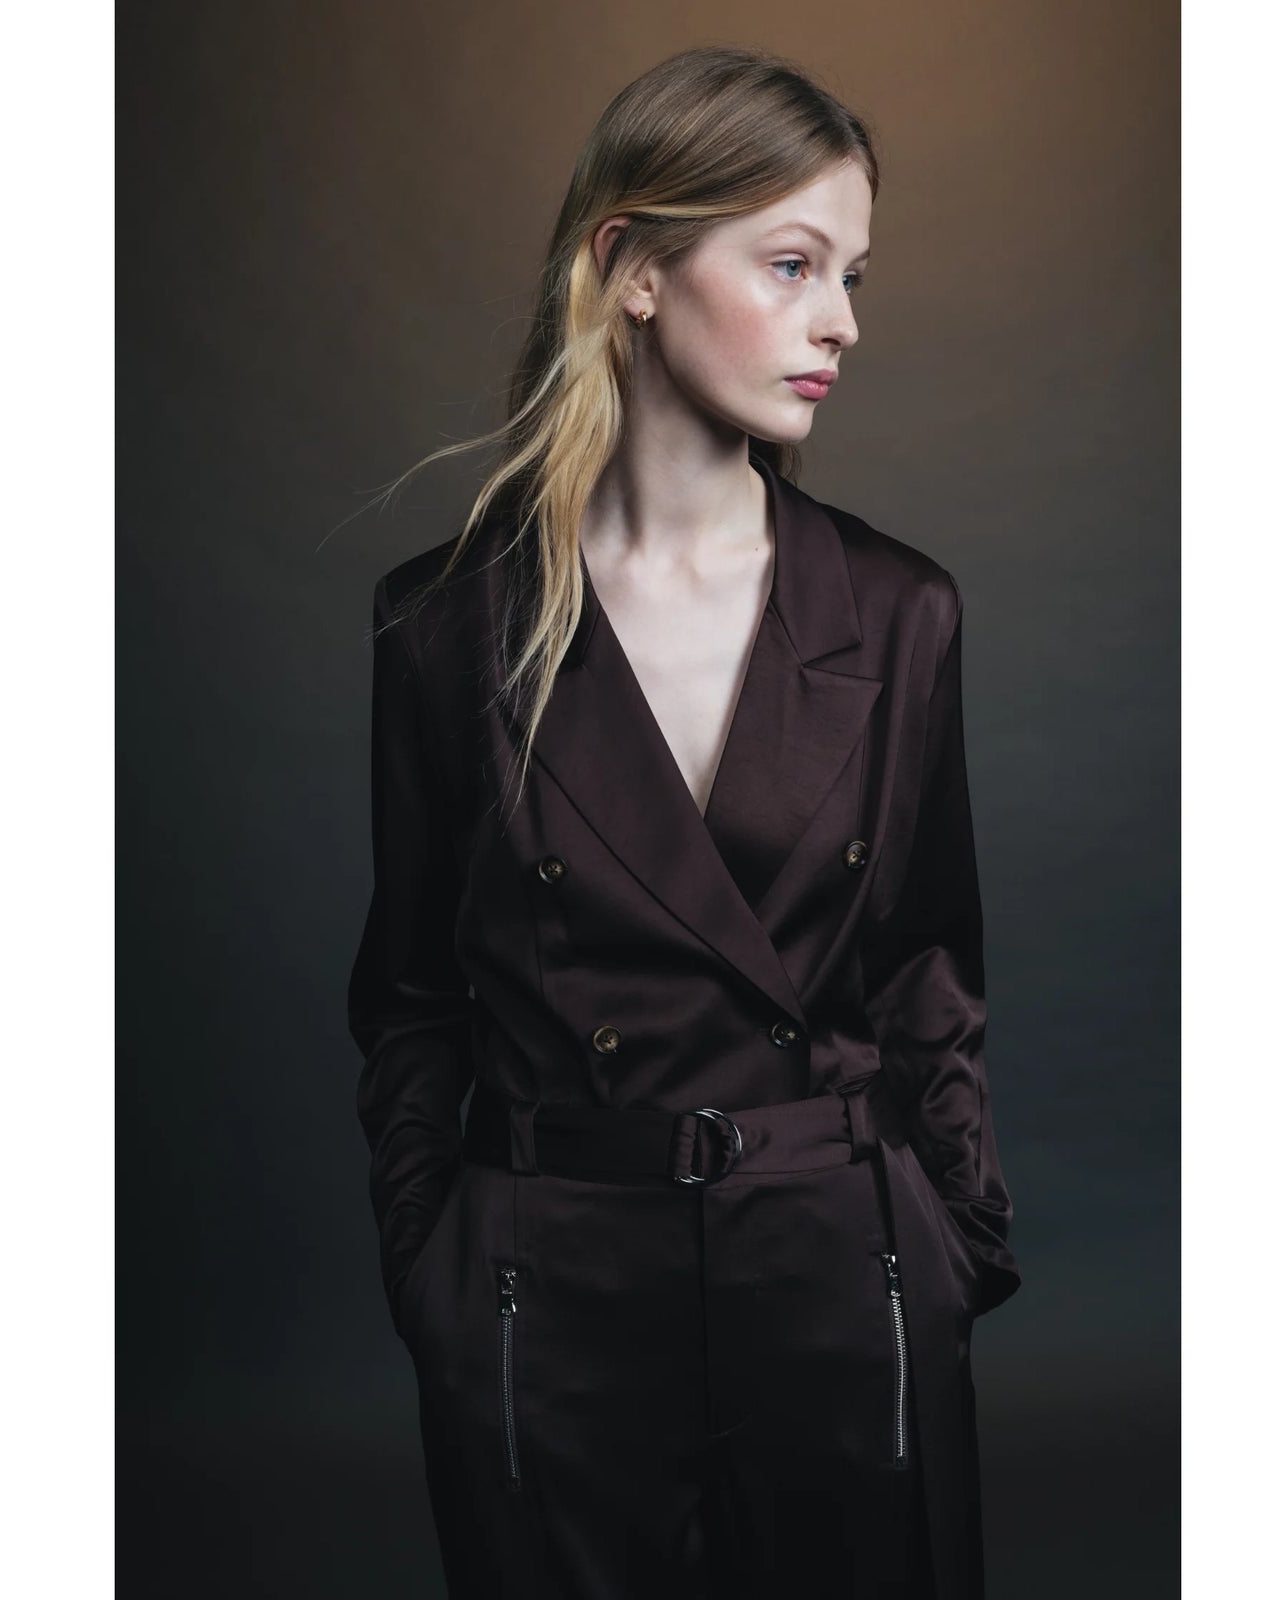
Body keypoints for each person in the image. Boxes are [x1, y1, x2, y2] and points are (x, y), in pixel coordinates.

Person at [347, 44, 1021, 1600]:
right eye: (791, 265)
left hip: (840, 1276)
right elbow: (412, 996)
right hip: (552, 1290)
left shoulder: (899, 610)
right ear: (634, 268)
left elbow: (929, 973)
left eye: (851, 274)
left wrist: (956, 1247)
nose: (842, 321)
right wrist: (435, 1264)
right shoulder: (446, 625)